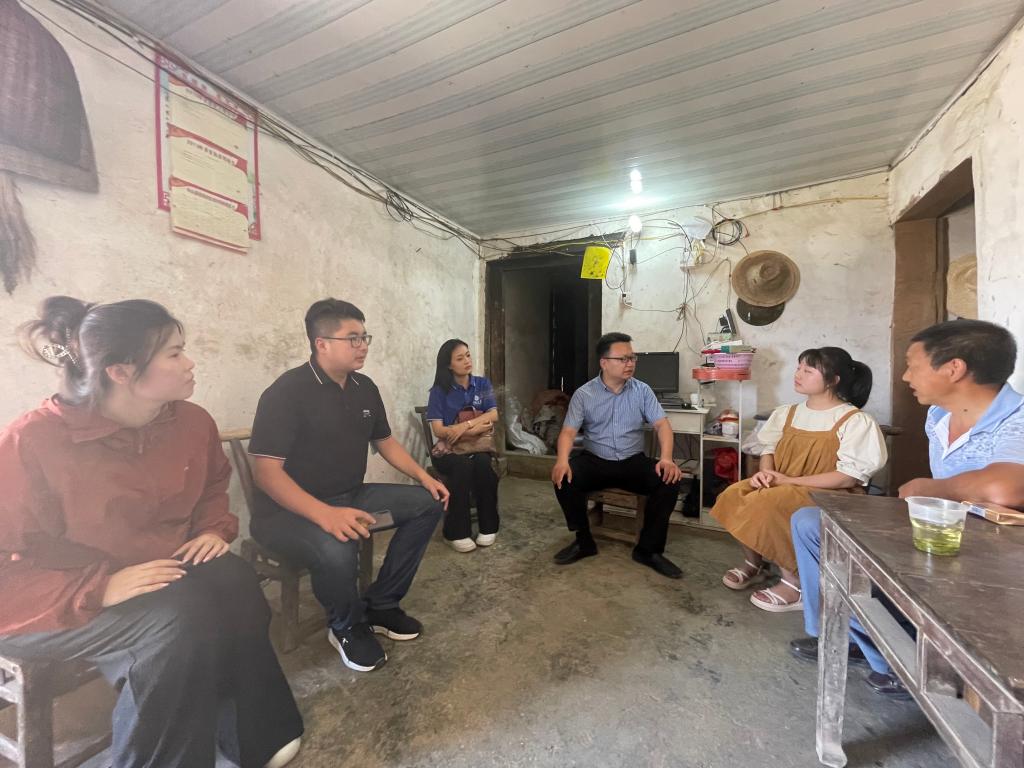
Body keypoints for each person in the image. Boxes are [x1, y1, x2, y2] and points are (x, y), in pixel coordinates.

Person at [0, 297, 303, 768]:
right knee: (175, 618)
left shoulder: (189, 421)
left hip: (150, 566)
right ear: (121, 372)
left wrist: (213, 528)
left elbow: (212, 483)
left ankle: (252, 732)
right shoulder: (33, 440)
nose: (190, 362)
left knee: (234, 578)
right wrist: (97, 589)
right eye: (174, 353)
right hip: (41, 601)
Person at [790, 320, 1024, 698]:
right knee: (810, 523)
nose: (905, 376)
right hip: (938, 526)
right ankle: (851, 636)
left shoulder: (1017, 417)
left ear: (954, 368)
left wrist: (931, 488)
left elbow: (1007, 488)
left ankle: (902, 664)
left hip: (996, 552)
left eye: (913, 366)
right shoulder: (939, 416)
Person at [249, 299, 448, 673]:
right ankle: (346, 625)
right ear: (321, 343)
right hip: (286, 513)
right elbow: (266, 474)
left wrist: (425, 477)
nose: (363, 346)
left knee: (428, 503)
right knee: (337, 543)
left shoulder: (363, 387)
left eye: (365, 337)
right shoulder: (286, 392)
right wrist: (325, 515)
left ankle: (382, 604)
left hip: (351, 496)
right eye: (352, 338)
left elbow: (385, 442)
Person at [711, 347, 886, 612]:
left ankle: (796, 583)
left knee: (769, 503)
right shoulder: (787, 413)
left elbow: (847, 477)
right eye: (799, 367)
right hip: (781, 483)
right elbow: (768, 449)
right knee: (734, 494)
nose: (798, 374)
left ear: (834, 380)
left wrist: (787, 482)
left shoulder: (855, 420)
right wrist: (765, 473)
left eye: (809, 370)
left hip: (829, 492)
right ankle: (754, 563)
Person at [551, 332, 685, 578]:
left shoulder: (642, 391)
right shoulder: (584, 394)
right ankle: (583, 541)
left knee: (670, 480)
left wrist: (666, 458)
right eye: (623, 359)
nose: (630, 363)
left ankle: (648, 550)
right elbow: (568, 432)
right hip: (595, 460)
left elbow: (662, 425)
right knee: (563, 478)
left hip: (632, 461)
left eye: (632, 358)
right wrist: (561, 461)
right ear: (604, 362)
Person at [427, 339, 500, 552]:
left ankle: (489, 527)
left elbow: (493, 415)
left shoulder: (482, 384)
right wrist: (476, 427)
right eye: (460, 358)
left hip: (477, 446)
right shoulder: (439, 391)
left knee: (484, 464)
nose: (467, 361)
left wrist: (462, 427)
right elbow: (438, 430)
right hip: (448, 450)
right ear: (449, 365)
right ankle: (455, 532)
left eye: (467, 355)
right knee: (462, 466)